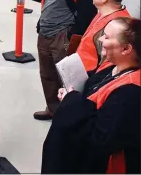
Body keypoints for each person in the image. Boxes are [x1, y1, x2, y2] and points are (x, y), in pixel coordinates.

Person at [3, 0, 96, 120]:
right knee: (47, 74)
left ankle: (69, 116)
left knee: (66, 77)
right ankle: (53, 109)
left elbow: (87, 13)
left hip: (62, 37)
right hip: (44, 34)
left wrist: (72, 37)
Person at [41, 17, 141, 174]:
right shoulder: (113, 66)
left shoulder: (130, 92)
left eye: (107, 37)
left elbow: (100, 138)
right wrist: (70, 93)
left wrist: (71, 100)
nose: (101, 39)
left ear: (126, 49)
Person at [76, 0, 131, 74]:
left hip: (89, 77)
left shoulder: (116, 27)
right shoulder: (105, 13)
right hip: (82, 71)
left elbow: (109, 65)